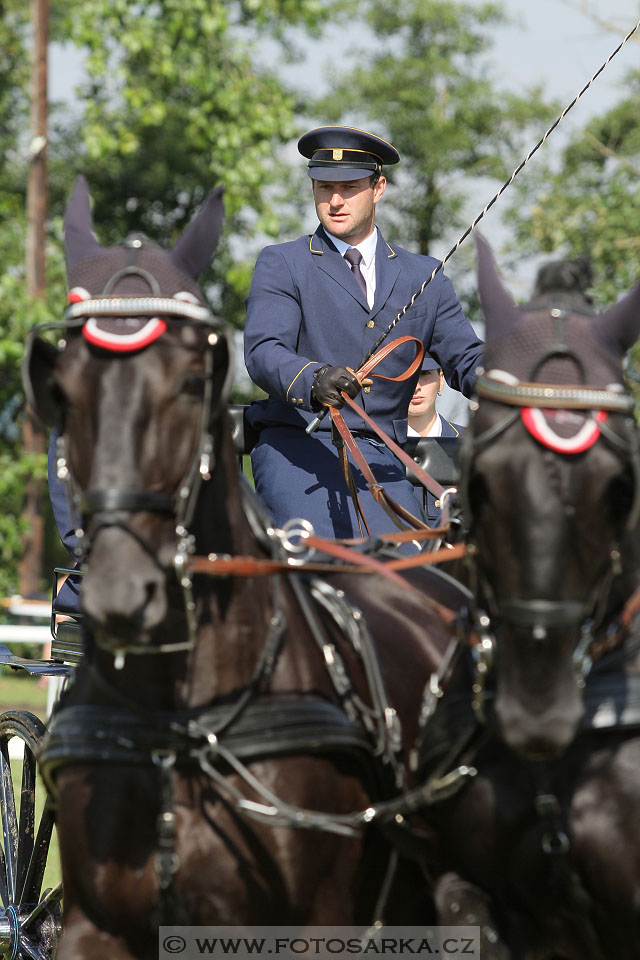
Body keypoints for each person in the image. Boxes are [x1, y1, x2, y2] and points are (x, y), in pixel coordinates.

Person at [244, 125, 483, 542]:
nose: (334, 201)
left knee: (415, 580)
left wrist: (518, 385)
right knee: (325, 571)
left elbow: (467, 359)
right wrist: (314, 378)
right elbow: (265, 351)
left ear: (378, 188)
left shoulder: (424, 276)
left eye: (349, 187)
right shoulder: (282, 262)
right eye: (324, 187)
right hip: (299, 450)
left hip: (386, 458)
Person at [406, 354, 464, 526]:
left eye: (425, 374)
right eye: (407, 375)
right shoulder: (377, 447)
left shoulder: (469, 443)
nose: (416, 387)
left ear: (441, 380)